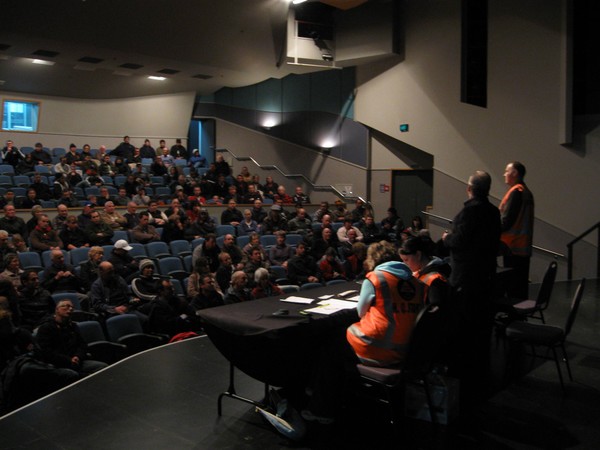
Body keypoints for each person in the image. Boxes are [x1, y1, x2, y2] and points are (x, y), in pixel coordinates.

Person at [442, 170, 501, 416]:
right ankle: (479, 371)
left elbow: (460, 241)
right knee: (479, 329)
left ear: (470, 188)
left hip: (465, 278)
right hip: (485, 277)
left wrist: (447, 237)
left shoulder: (469, 211)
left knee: (464, 328)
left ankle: (462, 371)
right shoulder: (493, 211)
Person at [34, 299, 107, 380]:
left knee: (102, 367)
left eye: (72, 307)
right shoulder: (46, 328)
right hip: (58, 365)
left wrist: (77, 356)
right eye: (66, 306)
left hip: (77, 362)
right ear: (57, 310)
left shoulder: (73, 326)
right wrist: (69, 360)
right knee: (74, 375)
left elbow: (82, 345)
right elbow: (46, 353)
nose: (71, 309)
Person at [499, 161, 534, 300]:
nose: (504, 174)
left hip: (512, 247)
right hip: (522, 247)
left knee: (513, 287)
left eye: (507, 171)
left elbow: (507, 221)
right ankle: (520, 316)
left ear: (515, 173)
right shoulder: (526, 192)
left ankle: (514, 318)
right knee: (520, 286)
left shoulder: (516, 192)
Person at [400, 235, 451, 306]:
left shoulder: (436, 280)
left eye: (406, 260)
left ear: (418, 255)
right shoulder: (420, 272)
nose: (404, 264)